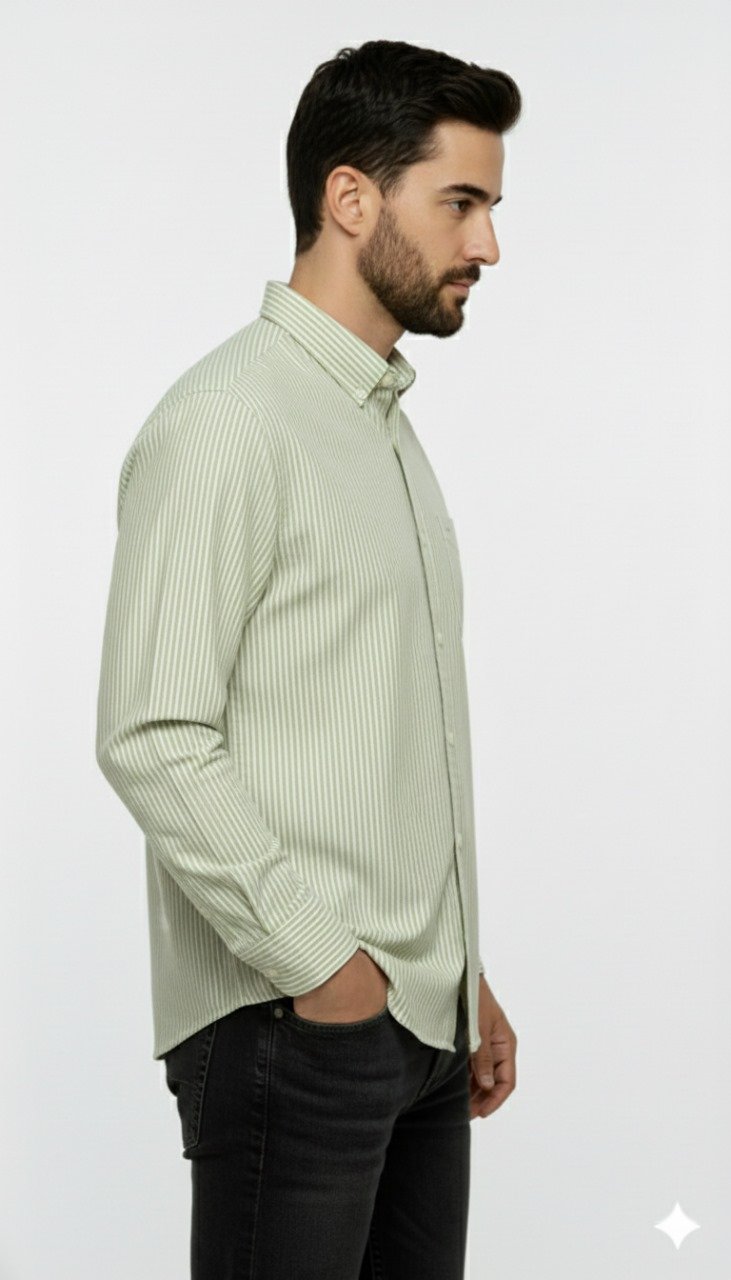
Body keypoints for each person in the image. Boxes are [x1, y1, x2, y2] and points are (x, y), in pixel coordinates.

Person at [95, 37, 520, 1280]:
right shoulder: (229, 420)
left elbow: (378, 739)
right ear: (350, 199)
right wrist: (328, 972)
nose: (488, 245)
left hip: (416, 1025)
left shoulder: (379, 431)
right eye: (460, 202)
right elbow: (152, 732)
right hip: (298, 1020)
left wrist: (457, 977)